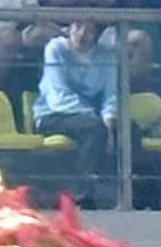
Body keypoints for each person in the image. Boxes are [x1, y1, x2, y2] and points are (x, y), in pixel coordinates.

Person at [32, 19, 125, 205]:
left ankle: (129, 193)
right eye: (78, 27)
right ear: (70, 28)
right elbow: (58, 95)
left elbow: (111, 94)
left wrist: (109, 117)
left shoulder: (106, 56)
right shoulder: (56, 49)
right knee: (94, 129)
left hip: (94, 118)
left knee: (129, 129)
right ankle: (80, 195)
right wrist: (94, 117)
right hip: (54, 114)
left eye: (89, 30)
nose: (82, 34)